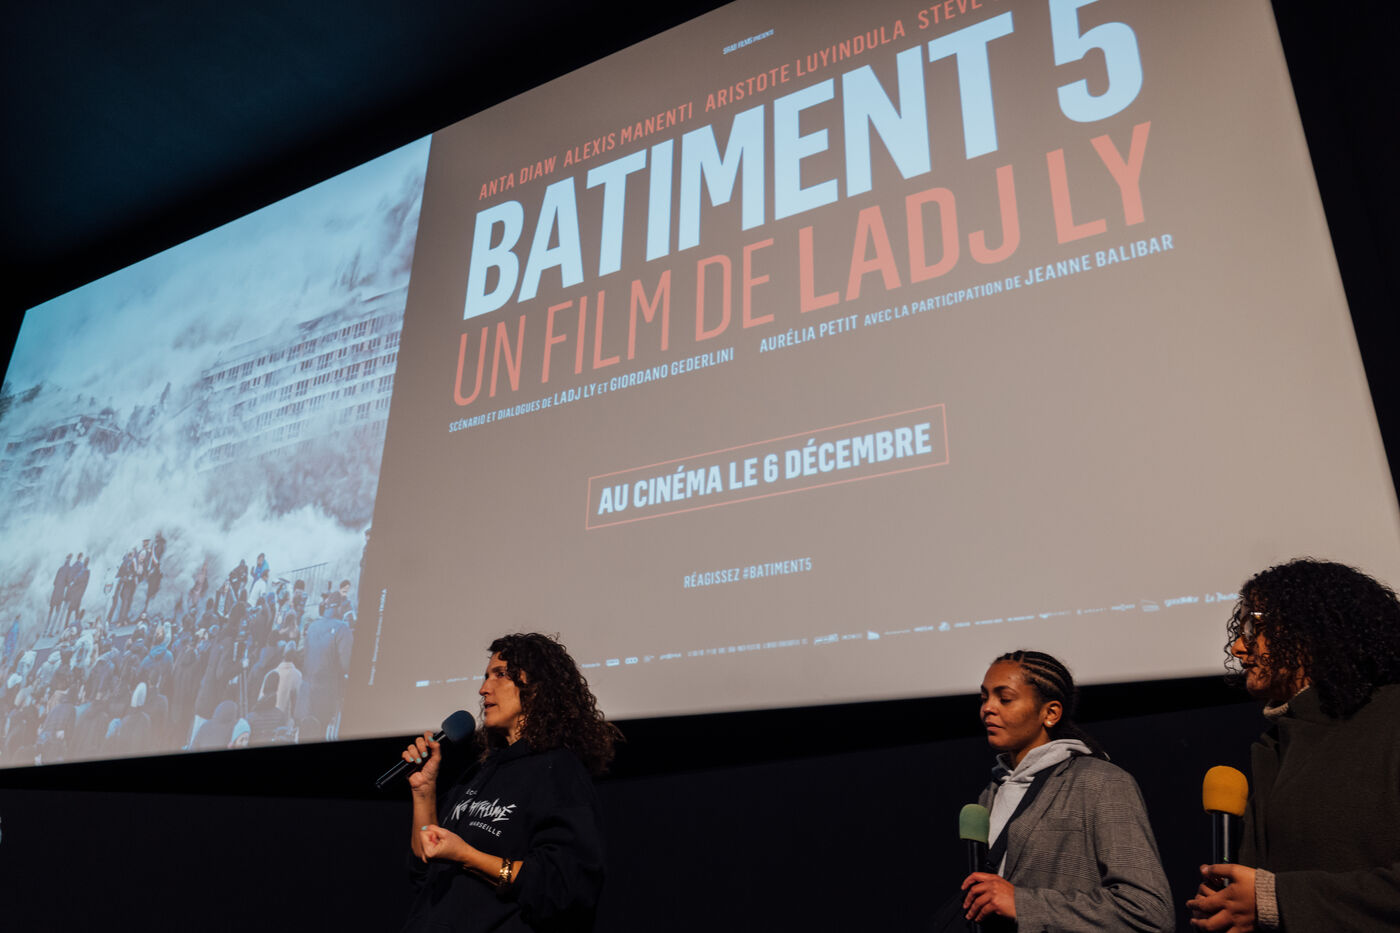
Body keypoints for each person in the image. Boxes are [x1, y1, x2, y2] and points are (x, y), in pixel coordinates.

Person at [1187, 558, 1400, 932]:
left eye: (1254, 628)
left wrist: (1275, 900)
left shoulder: (1392, 719)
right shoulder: (1275, 748)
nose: (1238, 648)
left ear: (1311, 630)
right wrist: (1231, 907)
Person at [398, 632, 620, 933]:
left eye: (500, 674)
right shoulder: (479, 773)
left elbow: (564, 886)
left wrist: (467, 856)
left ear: (536, 688)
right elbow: (424, 871)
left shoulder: (558, 770)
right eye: (485, 677)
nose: (483, 689)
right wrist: (423, 791)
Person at [957, 649, 1173, 932]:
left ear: (1050, 713)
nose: (988, 708)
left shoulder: (1101, 783)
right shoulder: (991, 792)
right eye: (984, 698)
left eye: (1004, 698)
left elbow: (1149, 911)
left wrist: (1023, 904)